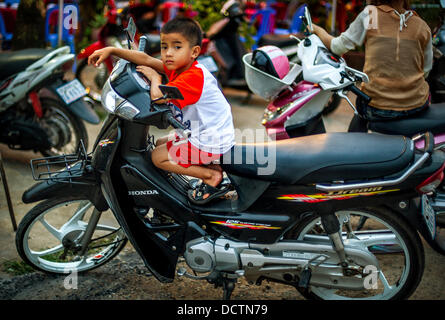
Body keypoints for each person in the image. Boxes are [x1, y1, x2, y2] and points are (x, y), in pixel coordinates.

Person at [88, 17, 235, 204]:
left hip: (210, 140)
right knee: (160, 143)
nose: (168, 53)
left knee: (158, 158)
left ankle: (210, 175)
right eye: (165, 47)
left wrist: (155, 78)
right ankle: (202, 171)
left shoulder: (192, 78)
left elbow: (157, 97)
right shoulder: (183, 67)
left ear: (194, 51)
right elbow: (147, 59)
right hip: (206, 134)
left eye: (177, 47)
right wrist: (112, 50)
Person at [309, 0, 433, 131]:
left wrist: (317, 29)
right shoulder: (421, 26)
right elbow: (426, 70)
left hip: (376, 107)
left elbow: (337, 47)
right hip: (415, 106)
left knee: (360, 110)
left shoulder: (371, 14)